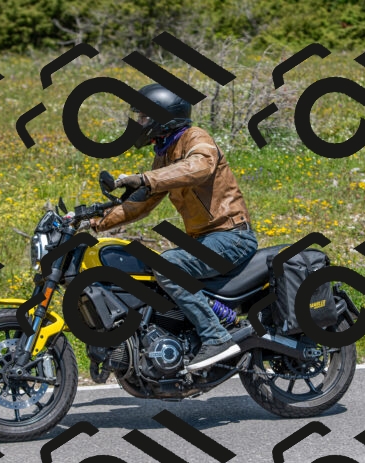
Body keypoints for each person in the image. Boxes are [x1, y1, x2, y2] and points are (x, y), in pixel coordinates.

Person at [91, 83, 258, 372]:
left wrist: (145, 178)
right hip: (206, 239)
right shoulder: (165, 153)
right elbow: (141, 204)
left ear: (163, 116)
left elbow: (198, 167)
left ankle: (216, 337)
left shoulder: (197, 139)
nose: (139, 122)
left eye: (144, 116)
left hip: (231, 236)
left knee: (168, 265)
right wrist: (94, 221)